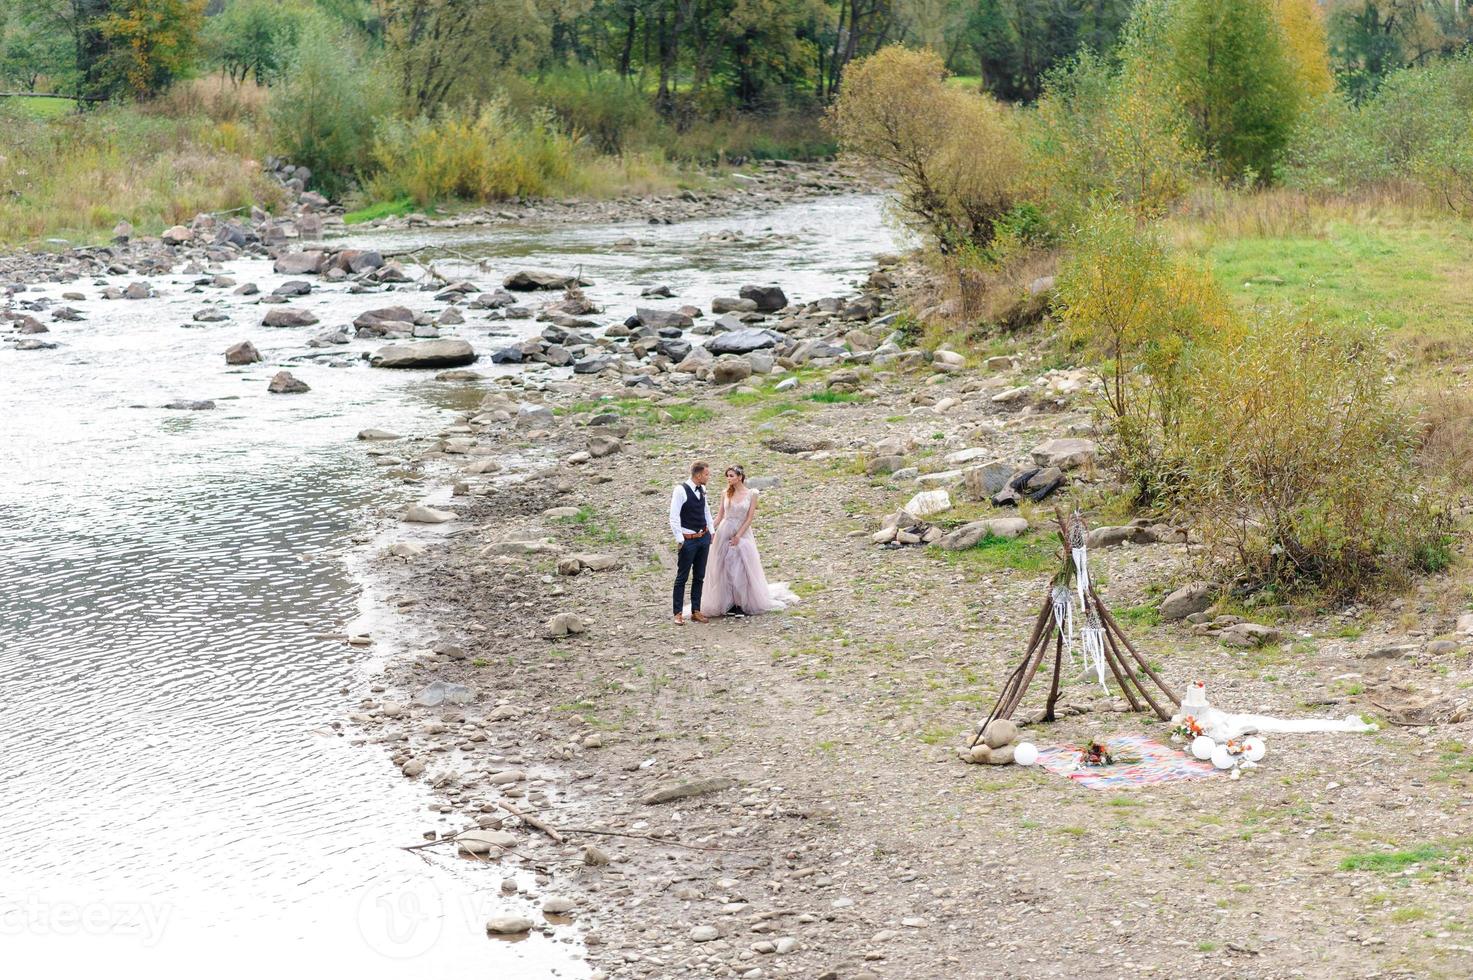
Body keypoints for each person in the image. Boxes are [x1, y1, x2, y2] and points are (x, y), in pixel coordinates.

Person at [701, 465, 797, 617]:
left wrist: (739, 535)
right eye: (727, 476)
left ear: (740, 477)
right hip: (725, 531)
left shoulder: (752, 494)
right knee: (723, 566)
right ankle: (729, 603)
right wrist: (708, 530)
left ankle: (741, 603)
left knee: (741, 566)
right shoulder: (725, 493)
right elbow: (720, 516)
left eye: (731, 476)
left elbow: (749, 518)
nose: (729, 479)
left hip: (742, 532)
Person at [669, 460, 715, 624]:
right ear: (698, 475)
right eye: (706, 474)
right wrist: (680, 539)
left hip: (703, 537)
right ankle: (678, 613)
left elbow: (706, 510)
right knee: (682, 577)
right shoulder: (680, 490)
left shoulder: (702, 489)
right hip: (688, 540)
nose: (708, 477)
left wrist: (711, 531)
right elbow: (674, 516)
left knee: (699, 576)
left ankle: (696, 610)